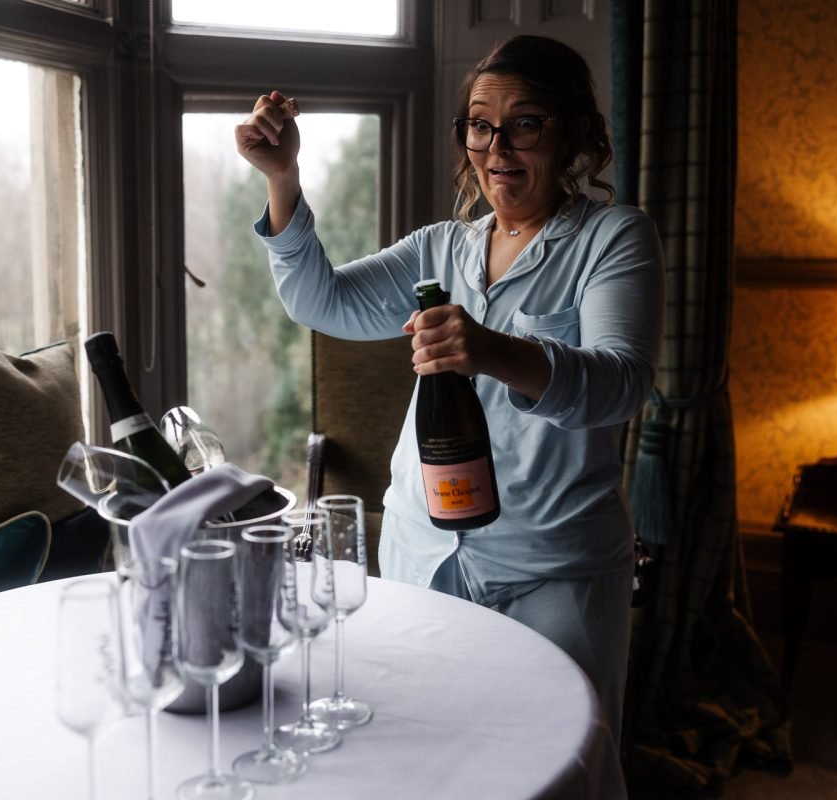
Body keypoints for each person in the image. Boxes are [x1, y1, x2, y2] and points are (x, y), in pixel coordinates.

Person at [235, 34, 664, 752]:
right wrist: (282, 179)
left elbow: (621, 384)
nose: (498, 146)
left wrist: (495, 350)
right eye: (479, 124)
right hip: (422, 554)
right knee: (425, 754)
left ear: (575, 135)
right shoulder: (441, 248)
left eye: (525, 123)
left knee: (557, 760)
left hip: (553, 568)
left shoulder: (615, 238)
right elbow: (324, 301)